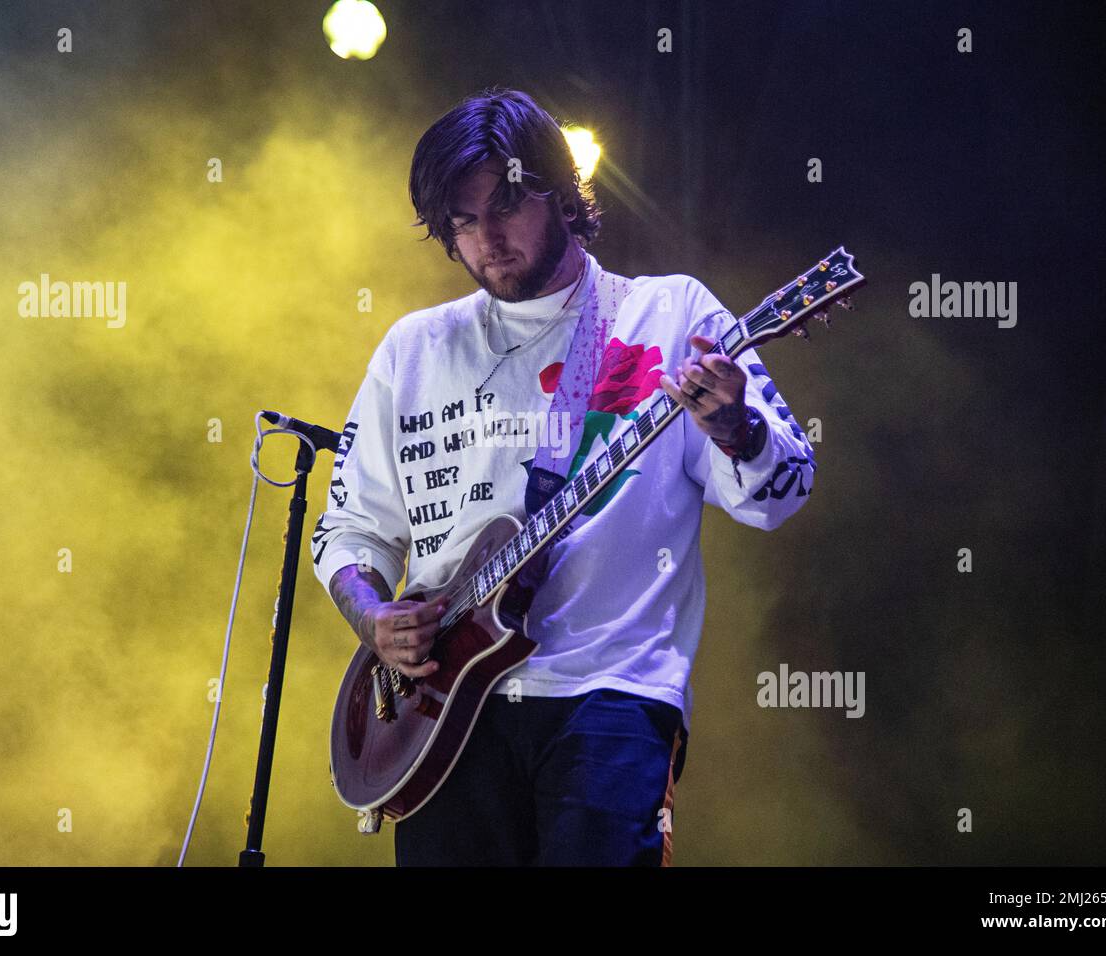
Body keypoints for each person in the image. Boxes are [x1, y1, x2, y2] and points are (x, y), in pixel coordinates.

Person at [310, 87, 816, 866]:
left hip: (609, 691)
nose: (489, 239)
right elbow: (349, 528)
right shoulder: (413, 350)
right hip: (445, 714)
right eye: (463, 222)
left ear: (563, 194)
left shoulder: (669, 316)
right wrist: (373, 618)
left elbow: (785, 490)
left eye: (507, 206)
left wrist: (734, 426)